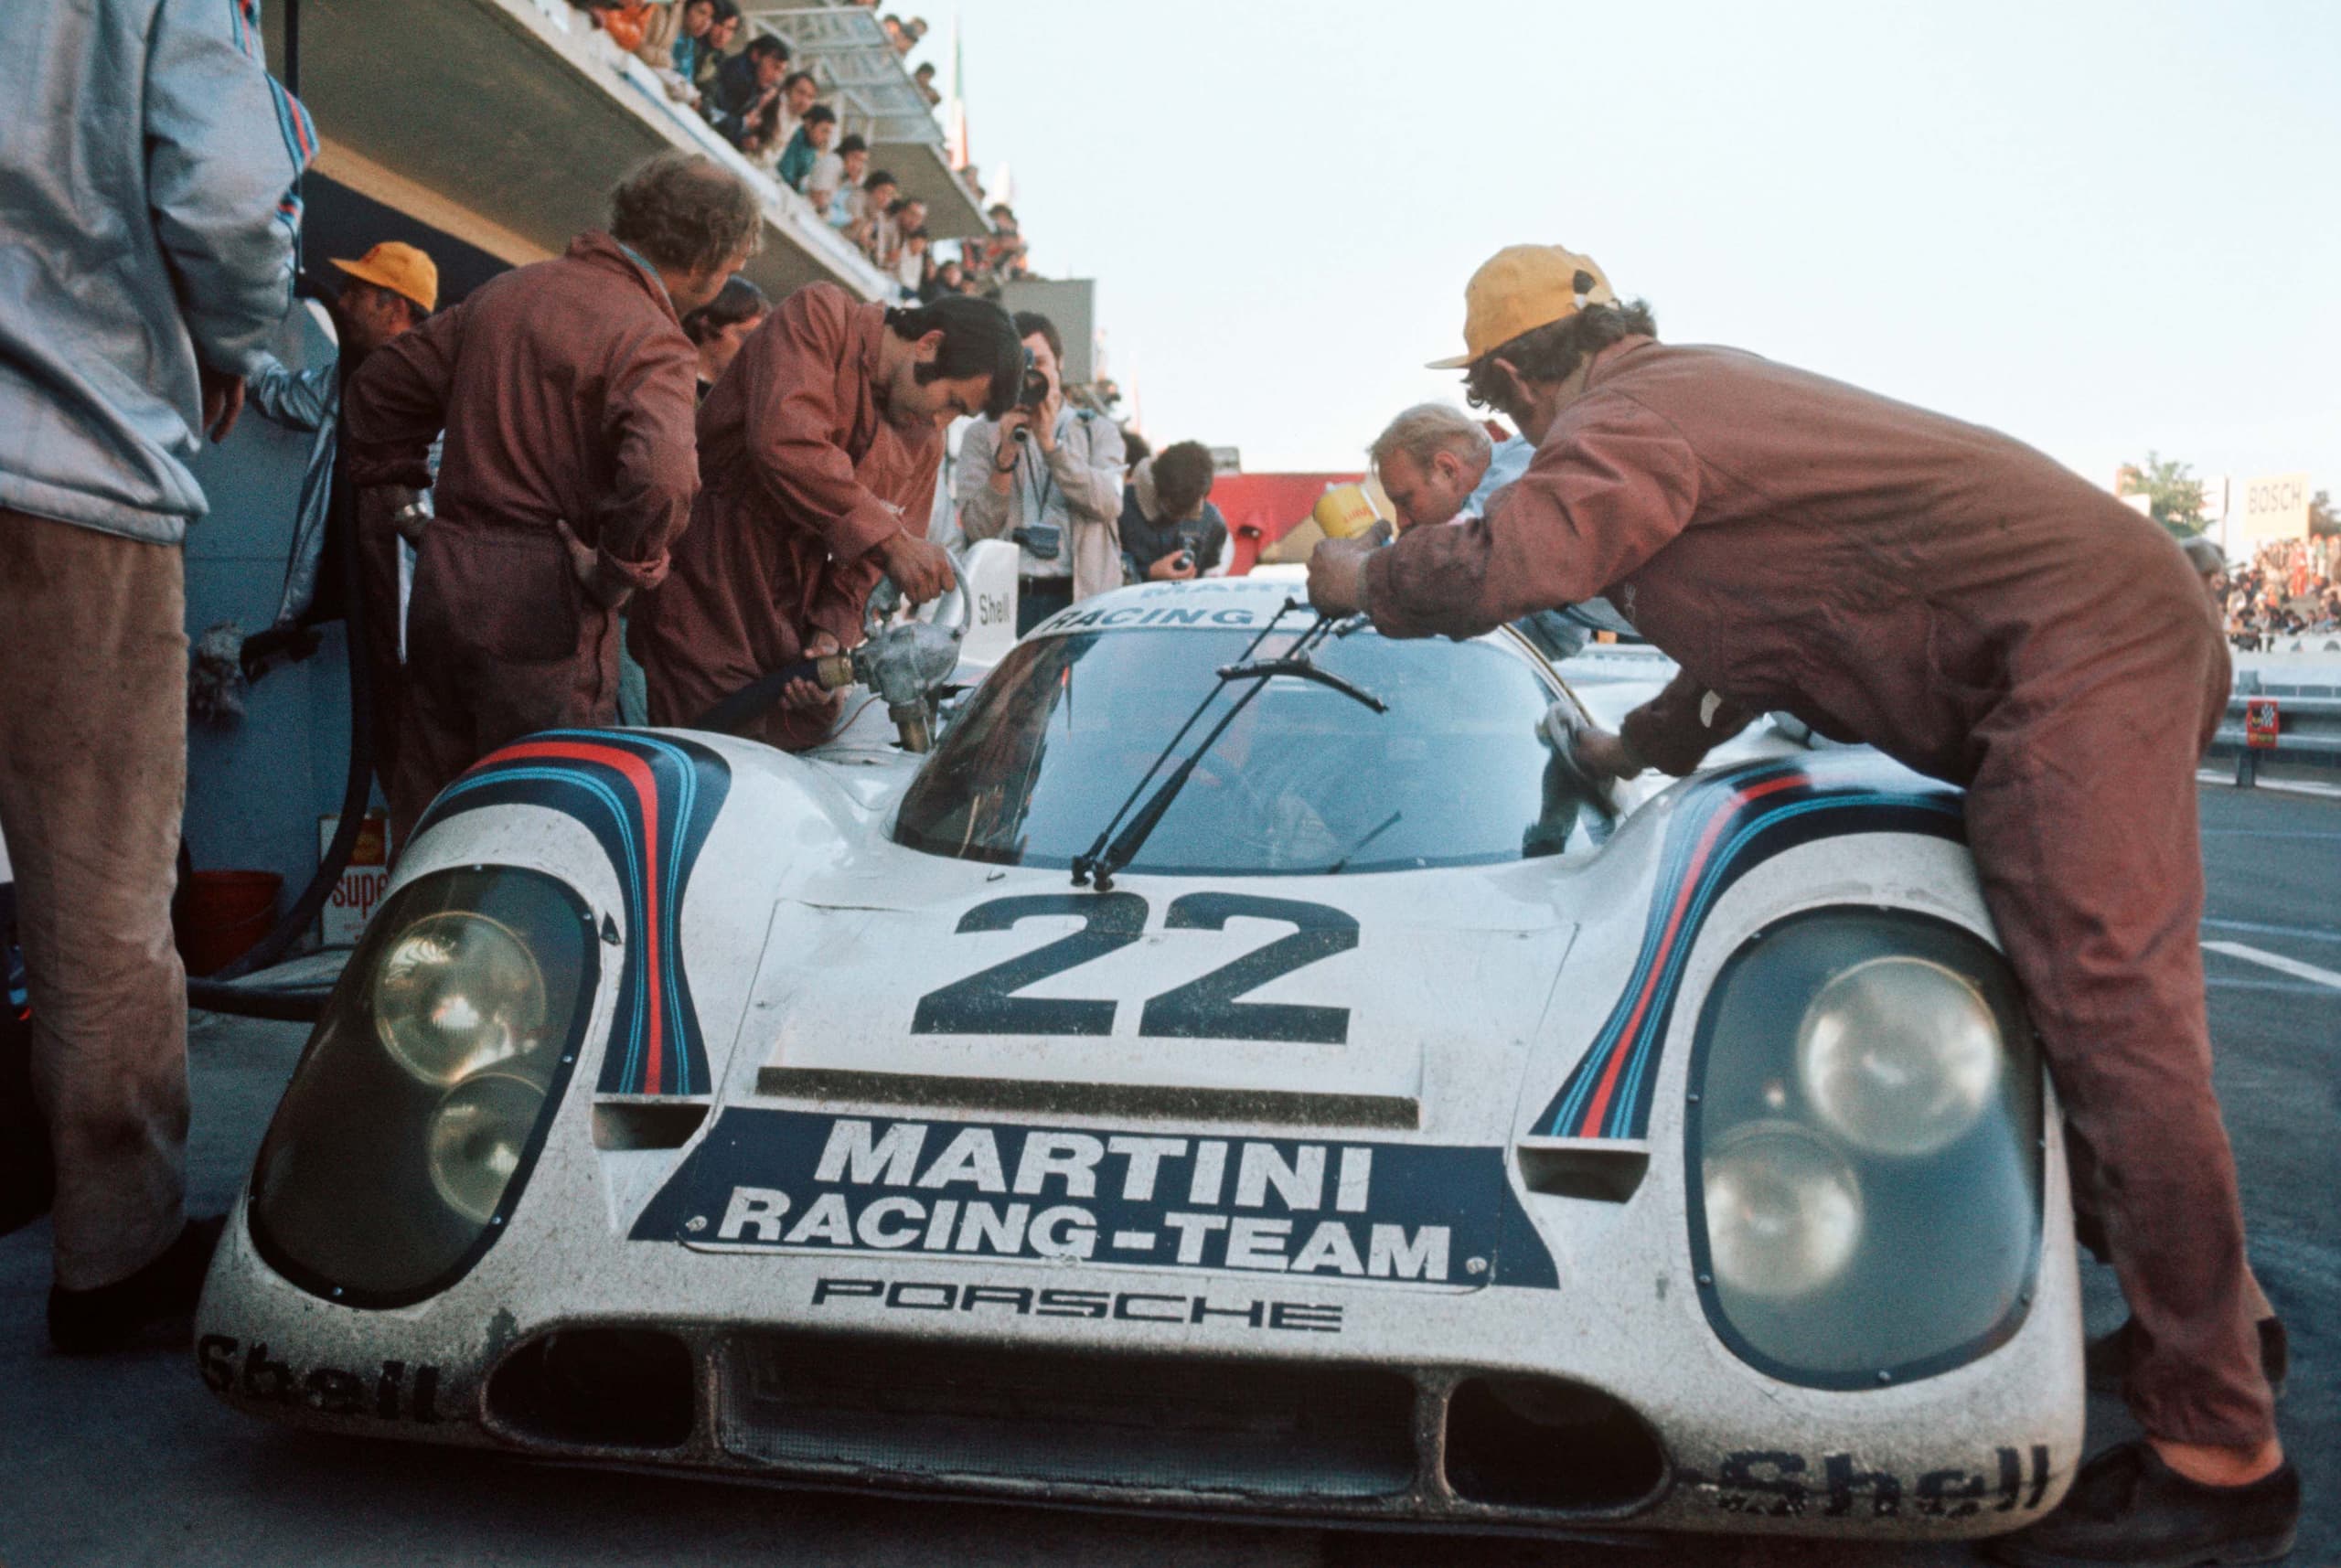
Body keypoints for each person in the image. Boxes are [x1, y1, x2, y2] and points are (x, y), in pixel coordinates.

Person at [1306, 243, 2296, 1565]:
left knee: (2112, 1018)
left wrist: (1366, 582)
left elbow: (1517, 559)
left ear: (1502, 382)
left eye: (1497, 404)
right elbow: (1753, 652)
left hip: (2078, 644)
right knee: (2063, 1015)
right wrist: (1629, 750)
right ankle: (2225, 1323)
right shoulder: (1691, 402)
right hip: (2077, 629)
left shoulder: (1621, 417)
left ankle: (2221, 1452)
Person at [0, 0, 310, 1352]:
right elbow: (232, 191)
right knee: (98, 891)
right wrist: (232, 343)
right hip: (65, 457)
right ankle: (112, 1247)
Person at [343, 152, 761, 843]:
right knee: (544, 825)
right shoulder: (651, 338)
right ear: (709, 257)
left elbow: (379, 388)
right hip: (546, 601)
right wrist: (620, 570)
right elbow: (663, 477)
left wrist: (403, 485)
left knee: (432, 813)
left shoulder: (506, 293)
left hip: (447, 585)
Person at [630, 292, 1021, 751]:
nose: (942, 420)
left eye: (959, 415)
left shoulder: (925, 439)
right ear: (929, 344)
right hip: (707, 588)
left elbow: (869, 572)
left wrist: (830, 639)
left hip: (792, 631)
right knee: (698, 762)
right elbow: (785, 442)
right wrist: (892, 541)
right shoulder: (820, 319)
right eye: (951, 400)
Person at [243, 242, 439, 795]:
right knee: (386, 744)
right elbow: (280, 395)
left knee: (420, 743)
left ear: (395, 306)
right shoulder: (348, 379)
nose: (345, 301)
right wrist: (230, 338)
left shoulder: (438, 385)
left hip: (418, 603)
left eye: (358, 292)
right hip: (365, 593)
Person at [1367, 400, 1630, 661]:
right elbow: (1557, 641)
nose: (1401, 521)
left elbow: (1457, 563)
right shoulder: (1506, 546)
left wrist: (1363, 572)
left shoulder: (1527, 464)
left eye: (1405, 500)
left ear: (1447, 470)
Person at [954, 312, 1128, 631]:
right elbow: (977, 529)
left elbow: (1109, 504)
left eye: (1040, 363)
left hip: (1081, 599)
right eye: (1021, 366)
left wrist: (1052, 447)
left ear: (1059, 363)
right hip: (1007, 601)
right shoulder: (982, 435)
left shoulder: (1097, 431)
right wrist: (1004, 458)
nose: (1031, 376)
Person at [1120, 440, 1226, 581]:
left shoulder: (1211, 521)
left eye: (1190, 509)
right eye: (1175, 509)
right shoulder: (1118, 509)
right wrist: (1148, 573)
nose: (1182, 517)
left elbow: (1212, 574)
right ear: (1157, 489)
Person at [680, 274, 769, 399]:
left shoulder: (743, 402)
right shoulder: (667, 378)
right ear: (707, 326)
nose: (753, 350)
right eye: (745, 337)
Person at [703, 32, 788, 147]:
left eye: (781, 72)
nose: (776, 77)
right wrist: (743, 123)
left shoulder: (755, 87)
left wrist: (742, 140)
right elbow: (709, 112)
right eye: (775, 67)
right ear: (756, 55)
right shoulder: (734, 74)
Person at [775, 102, 836, 193]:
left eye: (829, 133)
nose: (827, 138)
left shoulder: (812, 149)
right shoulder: (794, 138)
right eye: (824, 131)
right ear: (809, 124)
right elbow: (785, 176)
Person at [823, 134, 869, 229]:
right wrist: (848, 220)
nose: (857, 165)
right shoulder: (830, 165)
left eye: (861, 161)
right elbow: (823, 210)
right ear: (844, 153)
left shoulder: (846, 180)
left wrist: (855, 183)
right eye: (855, 157)